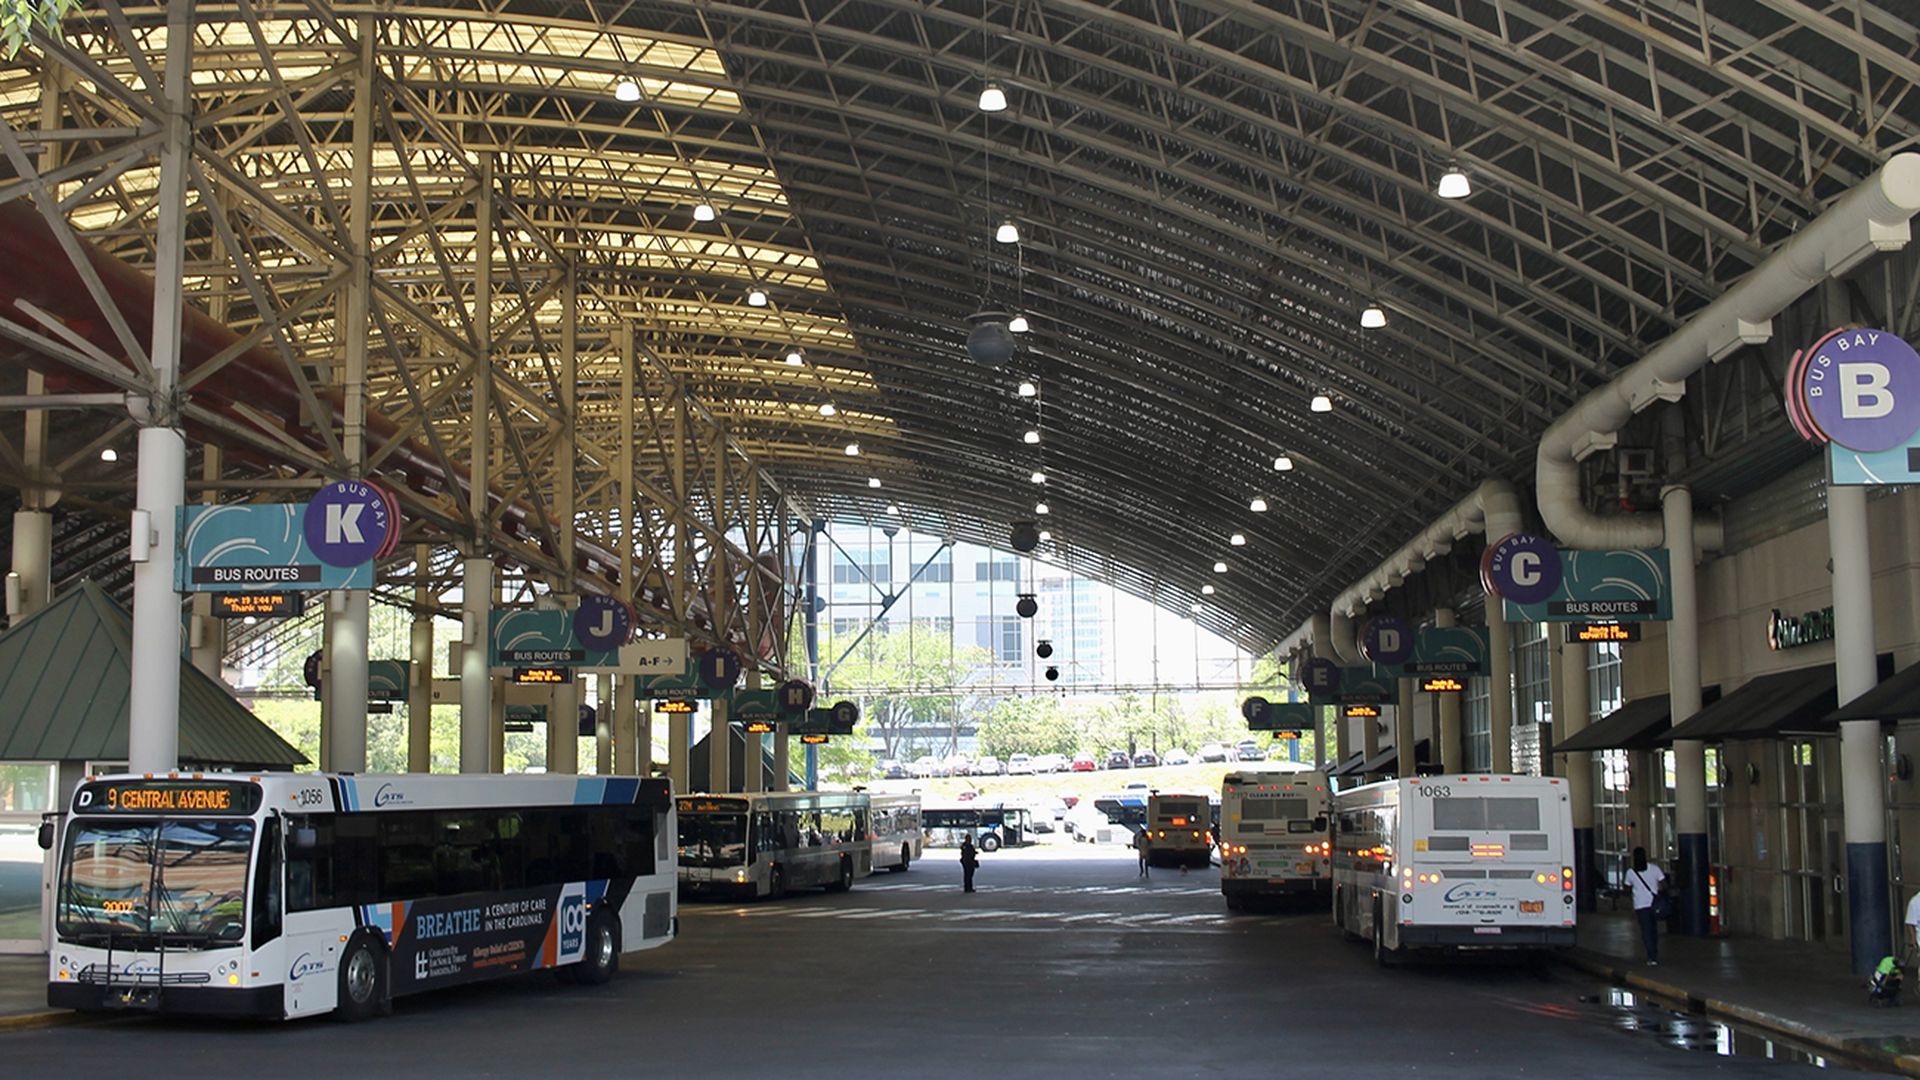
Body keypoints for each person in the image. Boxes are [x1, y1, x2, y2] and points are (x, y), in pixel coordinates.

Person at [1629, 846, 1667, 966]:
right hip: (1654, 904)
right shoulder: (1654, 869)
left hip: (1640, 905)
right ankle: (1654, 951)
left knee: (1646, 931)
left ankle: (1651, 956)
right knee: (1654, 929)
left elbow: (1627, 886)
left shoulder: (1631, 872)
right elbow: (1663, 884)